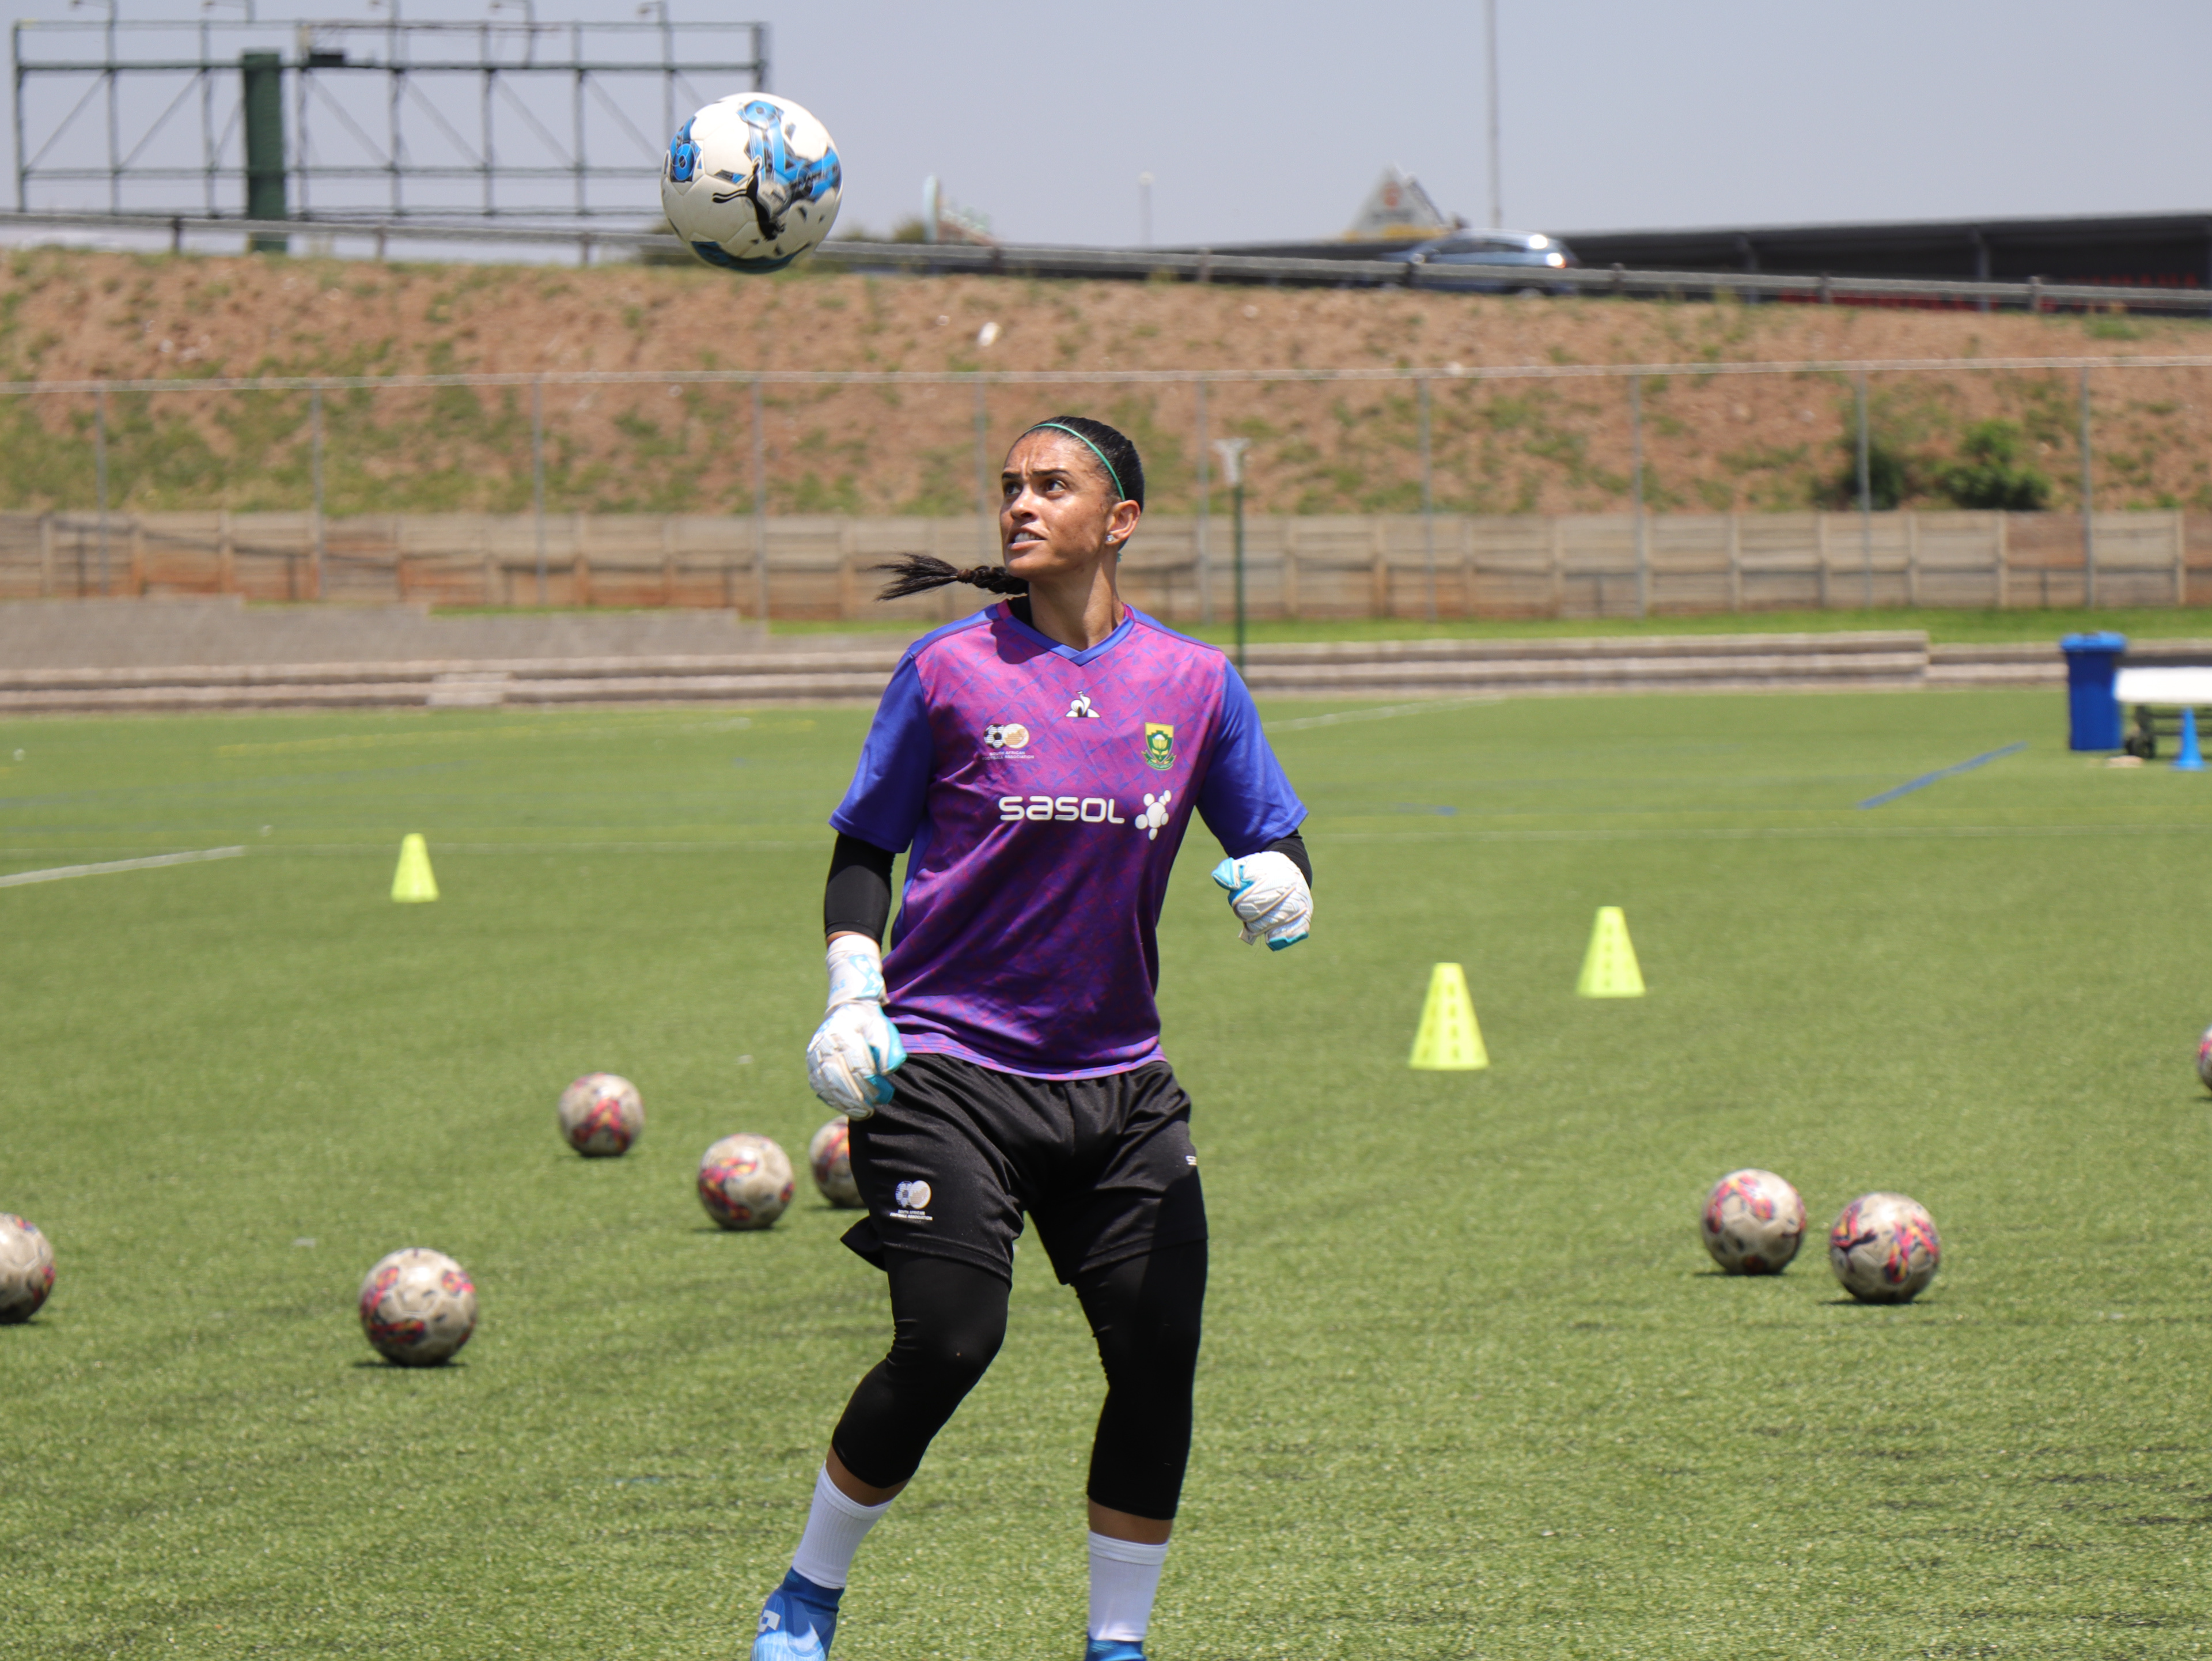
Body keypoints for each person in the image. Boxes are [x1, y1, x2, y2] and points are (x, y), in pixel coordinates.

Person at [751, 415, 1313, 1661]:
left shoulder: (1197, 682)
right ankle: (806, 1593)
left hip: (1120, 1089)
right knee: (951, 1341)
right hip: (948, 1074)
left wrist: (1286, 886)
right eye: (1010, 485)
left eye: (1052, 485)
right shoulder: (947, 670)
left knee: (1158, 1358)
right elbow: (865, 847)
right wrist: (853, 990)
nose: (1020, 503)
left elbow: (1274, 839)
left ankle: (1118, 1642)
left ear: (1120, 521)